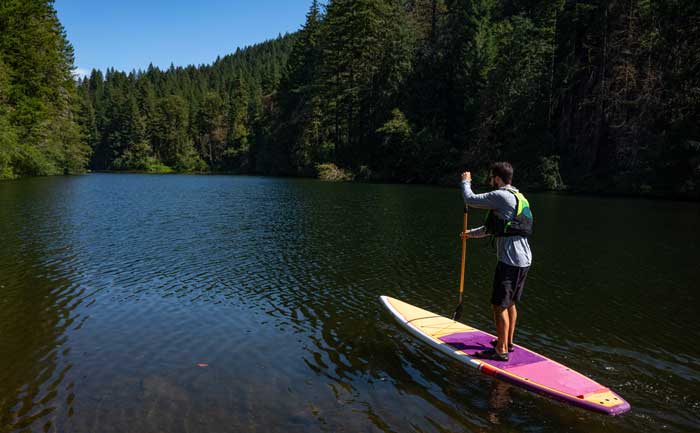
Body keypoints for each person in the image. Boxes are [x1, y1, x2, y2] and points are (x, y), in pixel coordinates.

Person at [461, 162, 533, 361]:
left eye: (492, 178)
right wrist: (469, 235)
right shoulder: (519, 197)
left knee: (498, 305)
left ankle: (500, 351)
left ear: (498, 179)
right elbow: (493, 228)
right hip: (524, 259)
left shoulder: (500, 196)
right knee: (509, 303)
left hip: (510, 261)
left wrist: (466, 182)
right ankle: (508, 343)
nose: (491, 181)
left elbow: (470, 199)